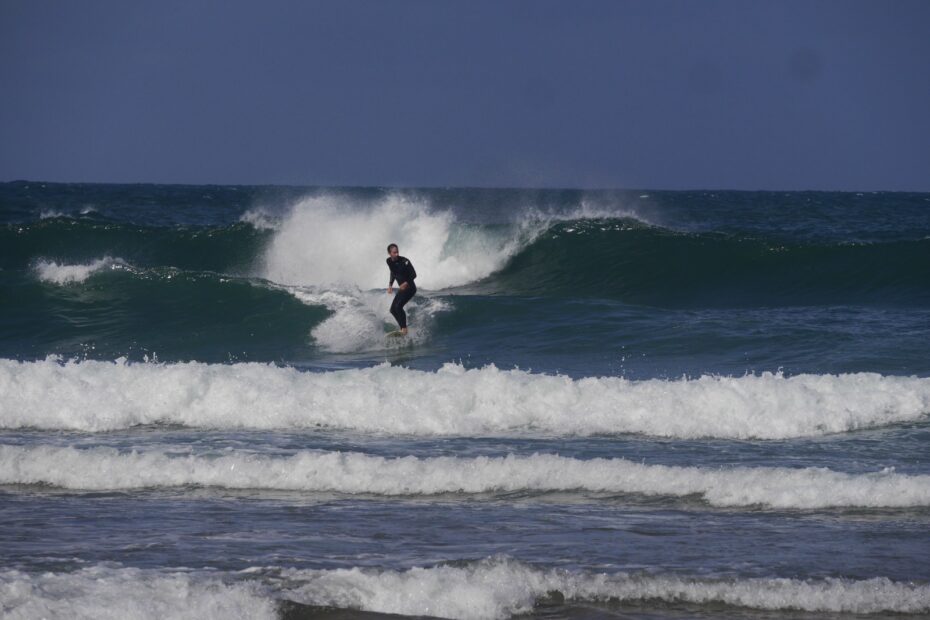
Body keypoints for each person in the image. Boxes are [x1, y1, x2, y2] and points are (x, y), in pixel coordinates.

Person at [386, 243, 417, 335]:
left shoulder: (405, 261)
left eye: (397, 252)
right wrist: (390, 285)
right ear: (389, 253)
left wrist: (406, 283)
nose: (396, 254)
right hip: (402, 289)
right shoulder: (389, 261)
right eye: (394, 252)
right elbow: (393, 272)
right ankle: (403, 328)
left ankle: (404, 329)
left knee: (398, 307)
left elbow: (414, 274)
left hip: (410, 288)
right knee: (392, 310)